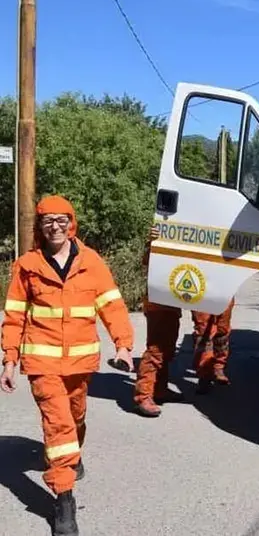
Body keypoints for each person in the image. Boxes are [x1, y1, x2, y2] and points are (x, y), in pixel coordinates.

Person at [0, 195, 134, 536]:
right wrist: (10, 359)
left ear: (71, 223)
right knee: (58, 425)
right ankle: (64, 499)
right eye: (48, 221)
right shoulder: (27, 266)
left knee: (75, 417)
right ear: (39, 227)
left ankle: (71, 456)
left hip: (79, 362)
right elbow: (14, 316)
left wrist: (123, 344)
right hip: (42, 361)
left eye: (61, 220)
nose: (55, 227)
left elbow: (113, 306)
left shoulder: (91, 262)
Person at [132, 225, 185, 417]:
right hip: (158, 302)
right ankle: (143, 396)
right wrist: (152, 242)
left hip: (172, 302)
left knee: (167, 349)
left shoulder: (183, 238)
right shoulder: (159, 237)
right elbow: (148, 261)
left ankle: (159, 389)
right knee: (156, 350)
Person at [191, 297, 234, 394]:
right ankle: (204, 374)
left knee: (222, 330)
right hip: (201, 291)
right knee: (203, 334)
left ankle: (218, 367)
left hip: (224, 292)